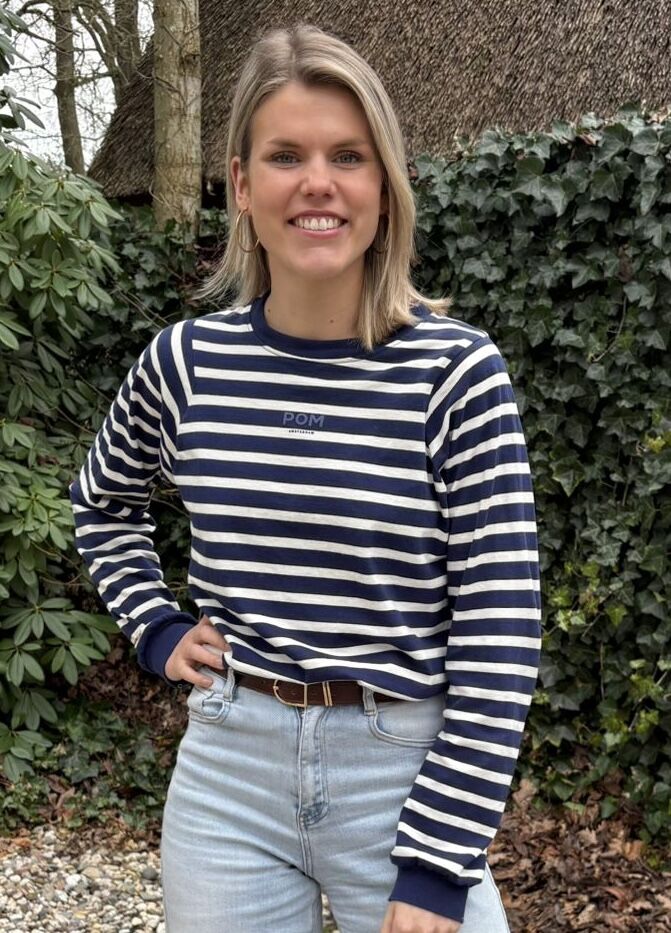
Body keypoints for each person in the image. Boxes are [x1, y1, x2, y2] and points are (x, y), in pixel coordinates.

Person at [69, 22, 542, 933]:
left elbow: (500, 630)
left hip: (402, 773)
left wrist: (438, 862)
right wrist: (155, 625)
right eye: (285, 155)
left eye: (347, 157)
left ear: (383, 187)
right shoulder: (186, 364)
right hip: (228, 779)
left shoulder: (455, 375)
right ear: (242, 185)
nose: (317, 182)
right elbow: (103, 503)